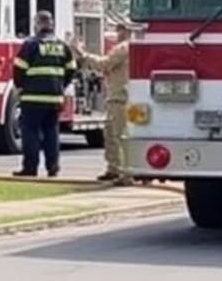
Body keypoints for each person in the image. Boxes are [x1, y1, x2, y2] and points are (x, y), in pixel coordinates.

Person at [12, 10, 76, 178]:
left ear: (38, 24)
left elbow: (19, 68)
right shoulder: (62, 46)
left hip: (32, 98)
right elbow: (71, 69)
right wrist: (61, 85)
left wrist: (20, 87)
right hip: (54, 98)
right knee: (51, 133)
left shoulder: (31, 44)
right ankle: (53, 167)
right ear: (51, 24)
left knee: (30, 132)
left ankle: (30, 168)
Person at [71, 21, 132, 184]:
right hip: (119, 96)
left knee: (119, 137)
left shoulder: (124, 48)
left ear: (127, 31)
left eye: (120, 29)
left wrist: (83, 54)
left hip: (120, 97)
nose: (117, 32)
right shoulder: (131, 47)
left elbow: (104, 64)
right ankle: (114, 169)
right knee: (111, 135)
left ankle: (126, 173)